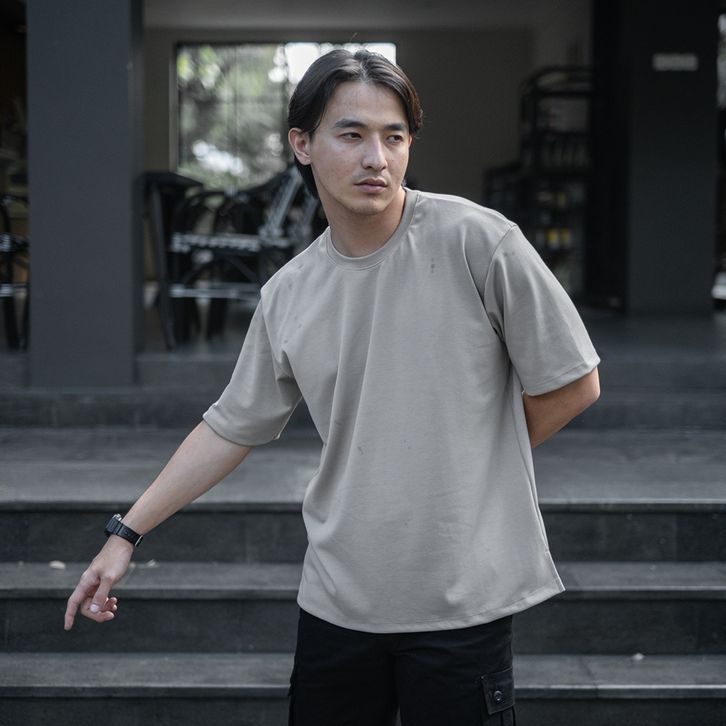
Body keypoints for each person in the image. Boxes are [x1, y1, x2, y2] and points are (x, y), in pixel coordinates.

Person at [65, 49, 600, 725]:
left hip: (461, 600)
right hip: (337, 601)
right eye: (351, 134)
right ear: (302, 144)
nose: (376, 158)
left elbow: (573, 383)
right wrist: (125, 533)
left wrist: (469, 460)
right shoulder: (290, 292)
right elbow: (231, 425)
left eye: (394, 137)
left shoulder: (479, 242)